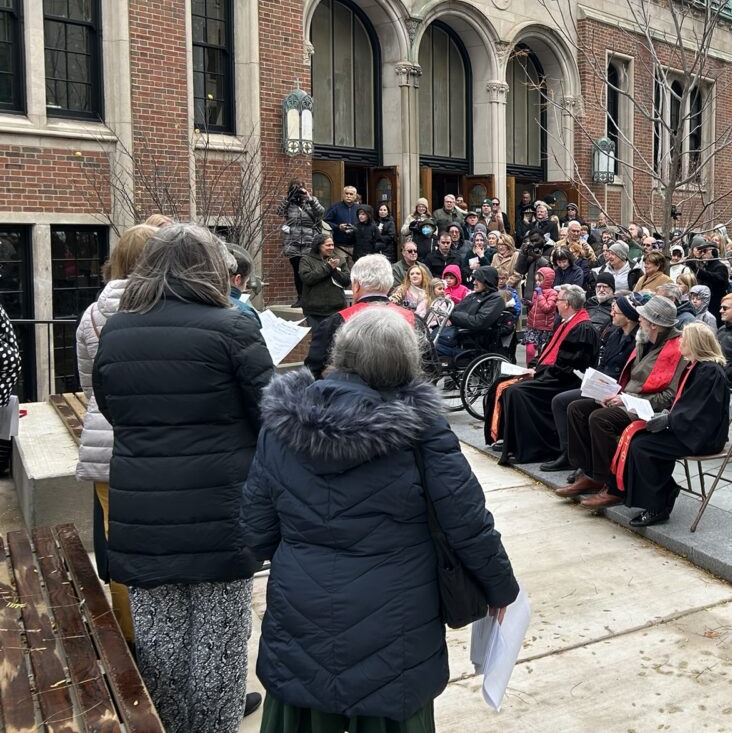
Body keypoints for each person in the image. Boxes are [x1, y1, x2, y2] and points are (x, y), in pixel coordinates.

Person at [243, 308, 519, 729]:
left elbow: (256, 531)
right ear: (405, 364)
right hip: (398, 626)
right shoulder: (423, 431)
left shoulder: (280, 427)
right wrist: (501, 588)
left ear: (341, 354)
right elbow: (467, 521)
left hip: (302, 617)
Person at [93, 223, 274, 730]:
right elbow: (269, 415)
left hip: (144, 511)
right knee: (218, 654)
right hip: (221, 513)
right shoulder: (233, 327)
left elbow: (111, 406)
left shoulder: (119, 329)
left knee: (160, 650)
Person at [76, 223, 159, 644]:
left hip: (105, 441)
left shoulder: (92, 313)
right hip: (151, 443)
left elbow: (91, 386)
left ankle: (130, 637)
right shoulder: (160, 308)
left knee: (117, 542)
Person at [558, 296, 686, 510]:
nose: (639, 320)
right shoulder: (646, 340)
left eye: (642, 317)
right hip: (628, 398)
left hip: (649, 408)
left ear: (654, 323)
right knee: (577, 408)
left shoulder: (677, 348)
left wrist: (626, 400)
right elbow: (631, 378)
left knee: (600, 419)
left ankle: (613, 485)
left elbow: (670, 396)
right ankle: (590, 472)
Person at [616, 323, 732, 527]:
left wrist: (668, 420)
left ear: (696, 344)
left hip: (701, 436)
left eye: (684, 341)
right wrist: (666, 417)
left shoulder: (710, 371)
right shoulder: (697, 366)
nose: (680, 345)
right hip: (687, 427)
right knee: (638, 439)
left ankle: (658, 506)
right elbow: (686, 406)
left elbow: (699, 412)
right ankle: (665, 492)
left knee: (643, 446)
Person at [487, 284, 599, 466]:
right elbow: (548, 354)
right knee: (502, 383)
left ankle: (532, 448)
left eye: (559, 300)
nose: (555, 303)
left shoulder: (582, 329)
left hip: (564, 382)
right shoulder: (565, 323)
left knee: (517, 392)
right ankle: (510, 441)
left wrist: (538, 374)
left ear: (568, 303)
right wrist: (534, 369)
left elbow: (569, 368)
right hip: (554, 375)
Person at [305, 255, 411, 378]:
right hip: (401, 395)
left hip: (349, 394)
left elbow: (312, 373)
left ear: (356, 285)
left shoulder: (335, 323)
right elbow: (428, 373)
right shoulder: (411, 319)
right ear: (390, 283)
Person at [435, 266, 505, 358]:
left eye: (478, 280)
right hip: (457, 334)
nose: (474, 282)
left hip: (471, 340)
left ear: (487, 281)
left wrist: (452, 316)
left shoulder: (495, 299)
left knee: (431, 347)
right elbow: (455, 309)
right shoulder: (473, 295)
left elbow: (478, 322)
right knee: (425, 341)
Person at [277, 180, 326, 306]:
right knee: (297, 272)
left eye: (300, 188)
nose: (298, 191)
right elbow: (279, 212)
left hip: (309, 242)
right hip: (293, 242)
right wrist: (288, 199)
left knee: (309, 272)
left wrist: (310, 199)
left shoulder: (311, 201)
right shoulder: (289, 203)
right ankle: (301, 298)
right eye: (295, 188)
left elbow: (320, 212)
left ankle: (311, 297)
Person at [299, 234, 350, 328]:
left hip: (337, 310)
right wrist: (328, 267)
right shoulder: (306, 260)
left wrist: (334, 270)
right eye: (328, 245)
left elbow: (346, 281)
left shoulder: (340, 260)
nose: (331, 248)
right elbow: (308, 278)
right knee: (318, 341)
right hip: (314, 312)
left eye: (332, 245)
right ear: (318, 246)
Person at [524, 266, 558, 359]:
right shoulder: (537, 292)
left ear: (547, 280)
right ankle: (529, 367)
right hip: (532, 325)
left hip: (544, 327)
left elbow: (547, 308)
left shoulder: (553, 293)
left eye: (540, 280)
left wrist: (540, 295)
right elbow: (536, 306)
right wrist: (529, 304)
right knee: (529, 350)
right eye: (537, 280)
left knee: (542, 353)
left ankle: (539, 370)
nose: (538, 283)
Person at [324, 185, 360, 260]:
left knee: (353, 269)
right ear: (343, 195)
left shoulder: (359, 209)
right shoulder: (335, 207)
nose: (348, 196)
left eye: (351, 194)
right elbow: (325, 222)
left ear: (355, 196)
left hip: (355, 245)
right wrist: (338, 227)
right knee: (341, 268)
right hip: (339, 245)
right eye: (346, 194)